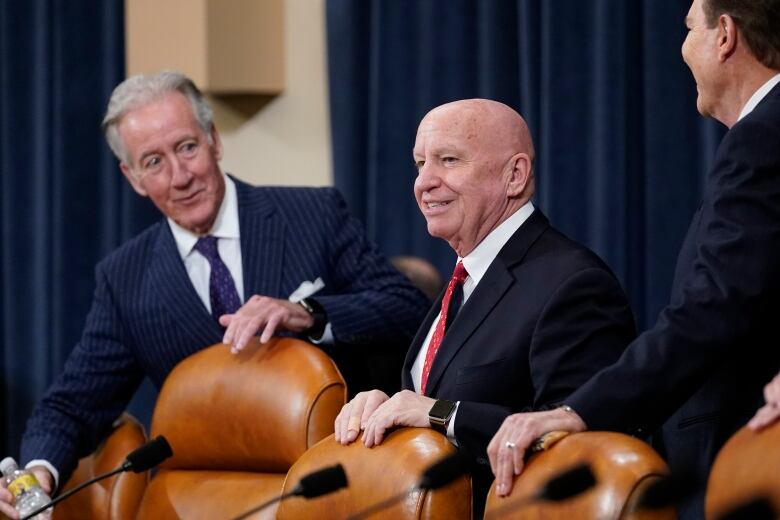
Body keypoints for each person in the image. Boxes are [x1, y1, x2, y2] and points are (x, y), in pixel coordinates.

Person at [0, 70, 429, 519]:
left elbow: (408, 309)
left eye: (187, 148)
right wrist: (37, 476)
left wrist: (308, 313)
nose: (180, 175)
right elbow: (71, 404)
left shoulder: (312, 214)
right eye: (153, 162)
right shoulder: (125, 278)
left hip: (340, 487)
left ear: (214, 141)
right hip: (209, 505)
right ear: (133, 179)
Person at [488, 1, 780, 517]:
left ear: (726, 36)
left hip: (749, 457)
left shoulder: (762, 137)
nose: (682, 48)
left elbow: (713, 308)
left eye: (689, 29)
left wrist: (580, 410)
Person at [333, 99, 636, 514]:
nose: (424, 182)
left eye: (449, 160)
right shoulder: (464, 280)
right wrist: (387, 406)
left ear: (515, 175)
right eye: (420, 164)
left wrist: (440, 413)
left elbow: (578, 439)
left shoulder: (574, 284)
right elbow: (434, 400)